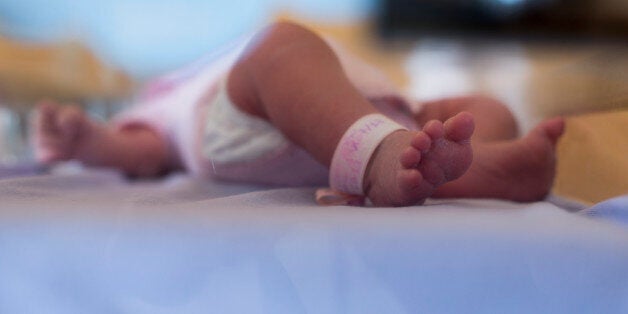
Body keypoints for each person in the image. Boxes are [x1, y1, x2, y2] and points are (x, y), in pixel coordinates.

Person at [31, 21, 564, 207]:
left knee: (478, 109)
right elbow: (144, 153)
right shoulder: (163, 98)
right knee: (278, 45)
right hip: (256, 126)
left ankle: (462, 167)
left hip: (380, 111)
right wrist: (90, 143)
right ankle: (378, 156)